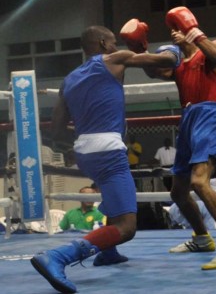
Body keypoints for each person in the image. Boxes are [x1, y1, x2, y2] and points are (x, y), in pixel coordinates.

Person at [30, 23, 179, 293]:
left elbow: (57, 130)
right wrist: (177, 45)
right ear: (101, 43)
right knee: (127, 227)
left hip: (85, 150)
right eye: (112, 42)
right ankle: (59, 256)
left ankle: (107, 252)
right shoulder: (114, 58)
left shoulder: (69, 79)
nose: (114, 46)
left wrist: (87, 130)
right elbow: (166, 61)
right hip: (108, 150)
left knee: (112, 195)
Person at [144, 6, 216, 270]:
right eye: (174, 30)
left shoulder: (211, 50)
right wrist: (139, 46)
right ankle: (202, 238)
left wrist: (192, 32)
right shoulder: (179, 64)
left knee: (200, 182)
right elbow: (153, 72)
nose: (175, 32)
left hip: (209, 116)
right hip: (188, 120)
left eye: (178, 27)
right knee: (178, 191)